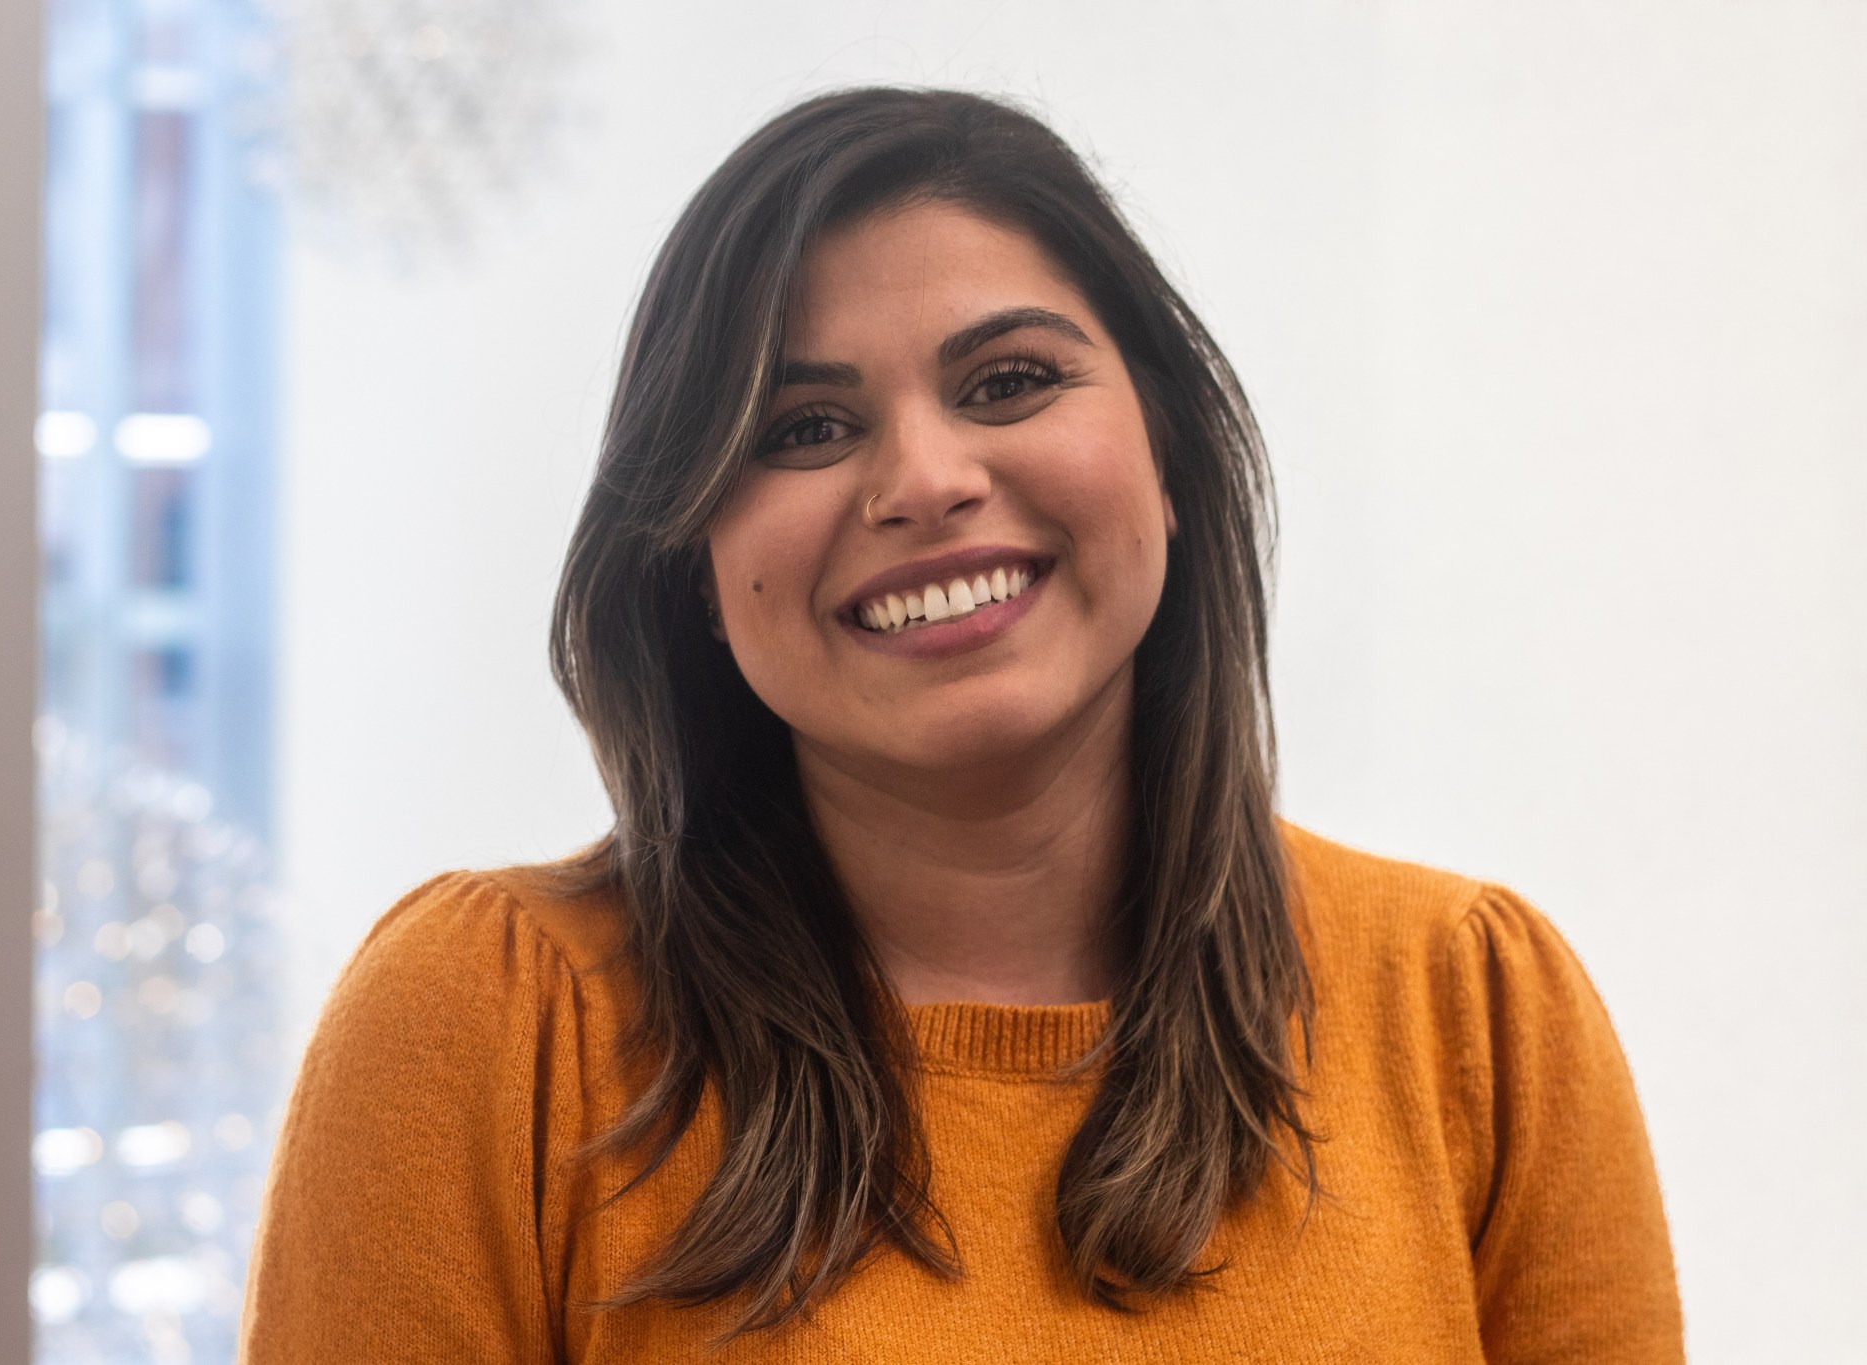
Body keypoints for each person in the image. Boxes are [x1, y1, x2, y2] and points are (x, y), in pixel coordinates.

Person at [240, 87, 1682, 1362]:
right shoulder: (492, 1027)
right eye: (802, 428)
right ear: (693, 561)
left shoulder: (1478, 1013)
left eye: (1010, 382)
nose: (925, 479)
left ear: (1168, 456)